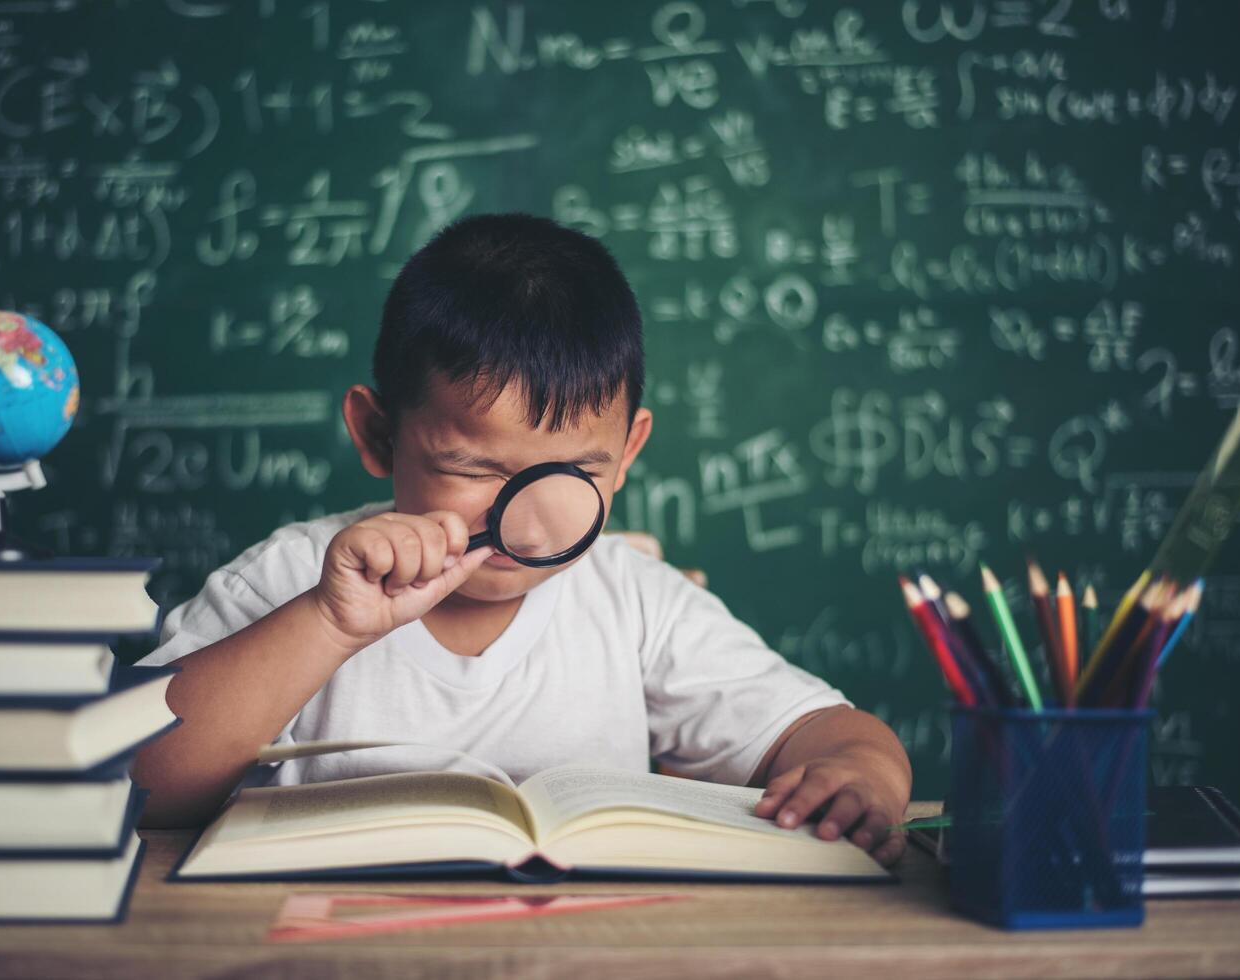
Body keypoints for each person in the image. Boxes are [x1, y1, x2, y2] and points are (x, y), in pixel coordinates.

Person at [132, 213, 911, 865]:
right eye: (470, 468)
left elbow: (827, 731)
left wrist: (859, 772)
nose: (526, 521)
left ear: (627, 457)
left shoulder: (634, 601)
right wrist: (326, 625)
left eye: (574, 473)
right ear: (375, 435)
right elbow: (139, 781)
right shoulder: (292, 577)